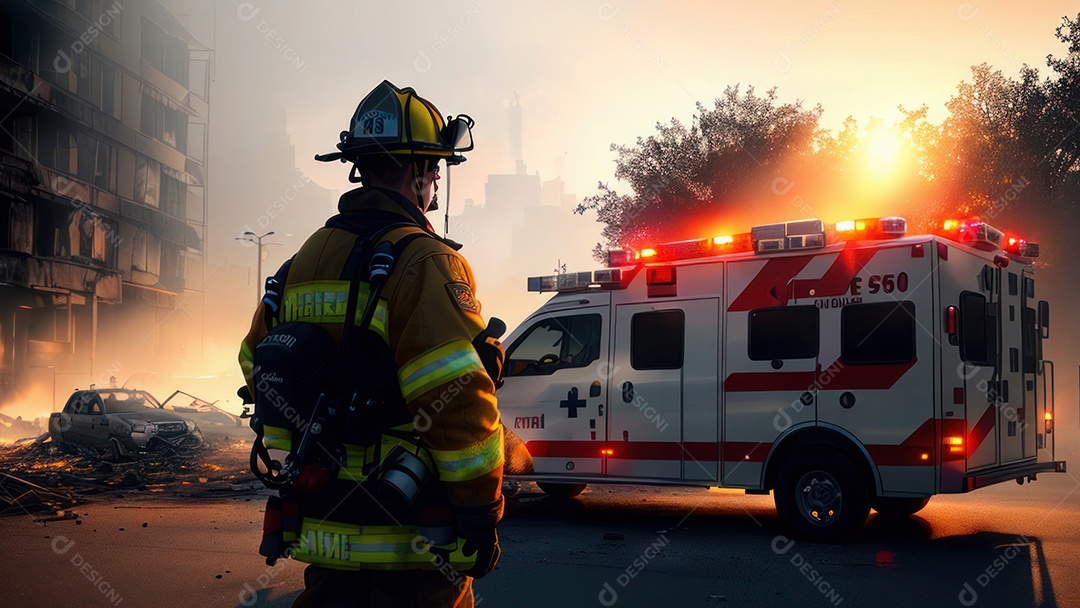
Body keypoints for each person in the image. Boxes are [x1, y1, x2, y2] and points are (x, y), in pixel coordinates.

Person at [238, 80, 504, 608]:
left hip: (324, 530)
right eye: (434, 170)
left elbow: (255, 362)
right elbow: (457, 404)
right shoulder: (426, 261)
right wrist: (480, 512)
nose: (433, 184)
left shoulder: (304, 260)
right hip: (411, 547)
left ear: (359, 167)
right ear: (419, 172)